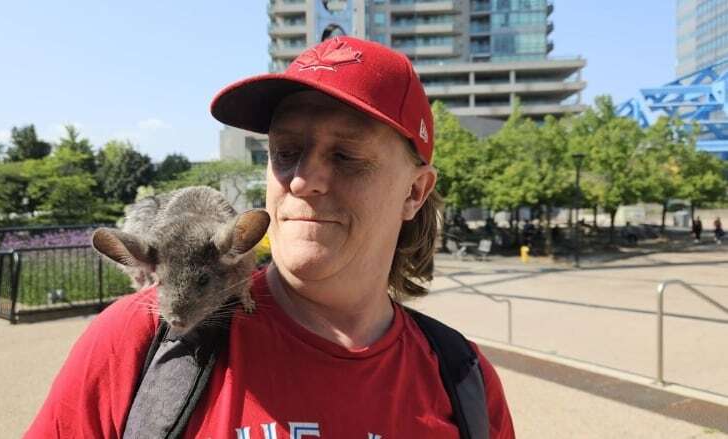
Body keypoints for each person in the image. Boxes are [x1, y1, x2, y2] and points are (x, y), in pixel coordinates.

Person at [26, 37, 514, 438]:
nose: (302, 180)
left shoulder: (463, 379)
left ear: (415, 191)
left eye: (346, 156)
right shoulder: (138, 338)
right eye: (285, 151)